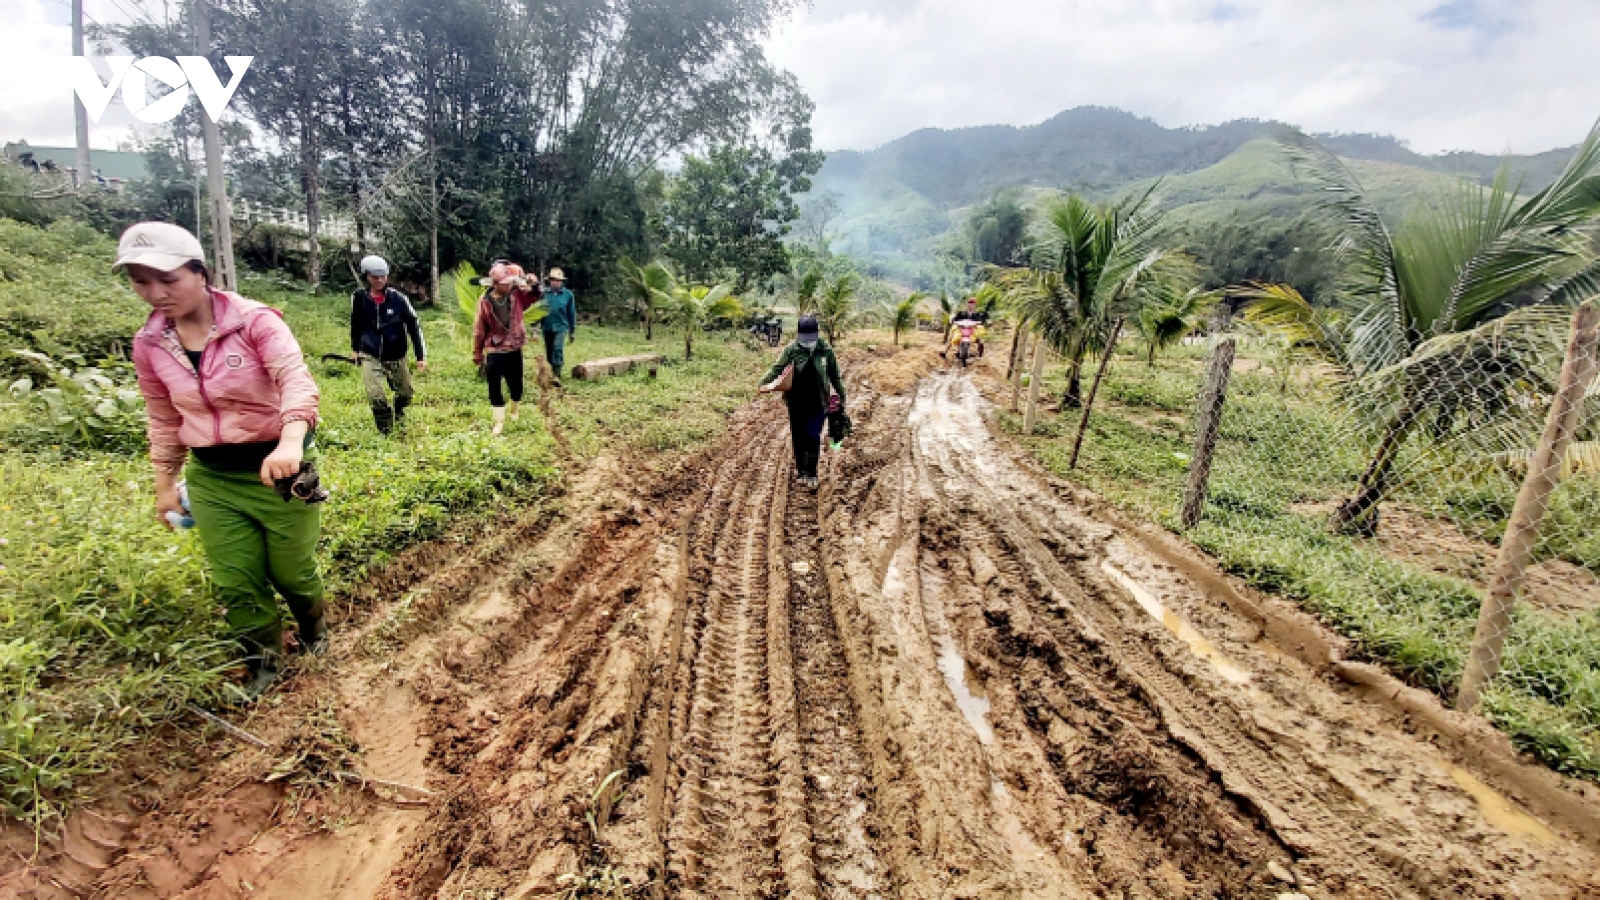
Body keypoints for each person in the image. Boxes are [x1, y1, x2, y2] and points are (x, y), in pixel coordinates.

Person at [121, 222, 325, 696]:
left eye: (168, 279)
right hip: (212, 477)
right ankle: (263, 664)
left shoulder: (254, 322)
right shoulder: (150, 344)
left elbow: (296, 380)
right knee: (235, 579)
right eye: (140, 280)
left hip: (281, 471)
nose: (155, 293)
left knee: (292, 572)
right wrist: (165, 483)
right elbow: (162, 416)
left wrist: (291, 442)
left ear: (199, 273)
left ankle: (314, 630)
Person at [759, 315, 844, 489]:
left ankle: (812, 473)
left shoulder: (825, 350)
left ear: (816, 334)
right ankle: (801, 471)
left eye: (810, 338)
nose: (807, 342)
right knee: (798, 437)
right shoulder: (792, 349)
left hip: (818, 402)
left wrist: (842, 395)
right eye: (804, 339)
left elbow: (835, 375)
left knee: (813, 436)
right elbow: (777, 368)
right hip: (796, 401)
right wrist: (763, 383)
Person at [351, 255, 426, 434]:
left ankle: (400, 414)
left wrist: (420, 356)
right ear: (367, 277)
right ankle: (386, 431)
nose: (379, 280)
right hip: (370, 353)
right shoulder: (359, 298)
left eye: (383, 276)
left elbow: (414, 326)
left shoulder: (398, 299)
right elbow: (356, 324)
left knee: (405, 393)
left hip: (396, 353)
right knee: (375, 395)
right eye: (375, 277)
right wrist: (355, 349)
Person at [472, 261, 541, 435]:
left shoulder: (517, 295)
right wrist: (477, 353)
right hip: (495, 350)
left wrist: (534, 283)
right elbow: (479, 329)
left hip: (514, 348)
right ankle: (499, 421)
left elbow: (534, 296)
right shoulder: (485, 302)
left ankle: (515, 409)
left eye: (511, 281)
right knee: (494, 386)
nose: (509, 284)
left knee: (516, 385)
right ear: (495, 284)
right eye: (506, 282)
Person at [541, 267, 577, 385]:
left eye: (557, 280)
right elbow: (539, 310)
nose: (555, 282)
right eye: (553, 280)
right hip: (547, 326)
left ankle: (557, 374)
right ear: (550, 281)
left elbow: (571, 313)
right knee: (549, 350)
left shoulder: (568, 295)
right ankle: (552, 371)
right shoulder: (544, 294)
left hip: (561, 326)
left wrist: (572, 331)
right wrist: (535, 327)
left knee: (557, 347)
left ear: (561, 281)